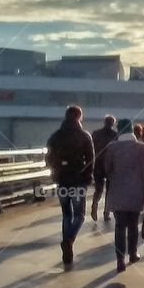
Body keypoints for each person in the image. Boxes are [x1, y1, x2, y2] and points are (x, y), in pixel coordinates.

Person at [45, 105, 94, 267]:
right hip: (79, 179)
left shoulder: (55, 136)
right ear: (79, 117)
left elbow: (49, 158)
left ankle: (67, 244)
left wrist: (57, 169)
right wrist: (88, 175)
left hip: (62, 180)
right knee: (79, 215)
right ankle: (69, 240)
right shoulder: (84, 136)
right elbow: (91, 159)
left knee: (67, 214)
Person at [104, 118, 144, 273]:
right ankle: (132, 254)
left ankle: (119, 260)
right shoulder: (142, 147)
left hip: (117, 192)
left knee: (119, 227)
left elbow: (107, 170)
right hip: (136, 192)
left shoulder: (111, 148)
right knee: (133, 226)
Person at [90, 115, 118, 222]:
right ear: (113, 123)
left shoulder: (96, 133)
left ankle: (94, 205)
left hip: (97, 164)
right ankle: (106, 213)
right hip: (111, 166)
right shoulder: (115, 135)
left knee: (99, 189)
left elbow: (90, 148)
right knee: (109, 191)